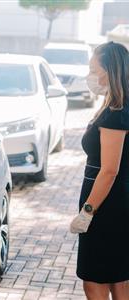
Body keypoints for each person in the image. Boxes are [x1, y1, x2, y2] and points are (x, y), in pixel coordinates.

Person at [70, 41, 129, 300]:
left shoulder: (117, 112)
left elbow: (109, 170)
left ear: (110, 71)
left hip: (107, 207)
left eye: (94, 69)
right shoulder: (116, 105)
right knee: (119, 279)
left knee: (94, 281)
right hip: (115, 203)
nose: (90, 75)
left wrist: (88, 211)